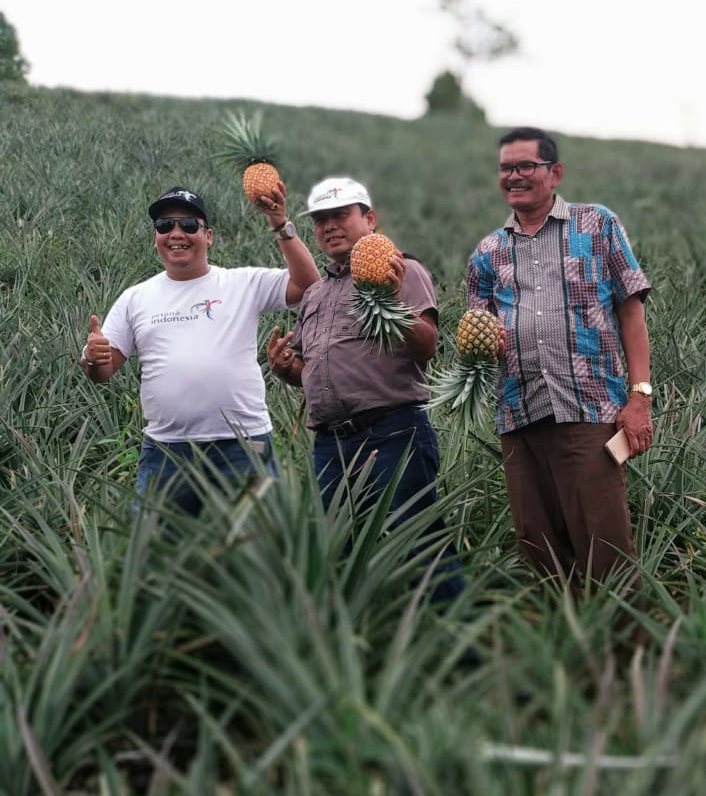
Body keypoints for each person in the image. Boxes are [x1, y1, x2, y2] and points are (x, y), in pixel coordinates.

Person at [466, 127, 654, 587]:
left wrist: (640, 396)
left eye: (525, 165)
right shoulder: (487, 253)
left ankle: (625, 649)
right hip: (519, 414)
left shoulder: (597, 225)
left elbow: (631, 312)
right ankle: (564, 646)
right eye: (505, 167)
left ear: (555, 173)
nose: (514, 176)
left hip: (589, 410)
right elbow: (477, 333)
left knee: (604, 545)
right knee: (538, 545)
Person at [262, 177, 461, 597]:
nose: (329, 226)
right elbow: (317, 373)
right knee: (337, 552)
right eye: (320, 220)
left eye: (340, 215)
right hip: (330, 444)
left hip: (391, 433)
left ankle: (457, 646)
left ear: (369, 219)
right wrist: (287, 369)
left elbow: (427, 346)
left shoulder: (400, 269)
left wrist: (390, 300)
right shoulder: (315, 294)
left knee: (418, 548)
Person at [80, 186, 321, 514]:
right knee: (158, 550)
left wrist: (280, 225)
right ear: (155, 238)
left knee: (252, 551)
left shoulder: (242, 283)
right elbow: (102, 372)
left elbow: (309, 286)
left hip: (243, 446)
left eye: (188, 225)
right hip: (166, 451)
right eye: (165, 226)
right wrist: (92, 358)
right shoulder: (135, 298)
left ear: (208, 236)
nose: (176, 233)